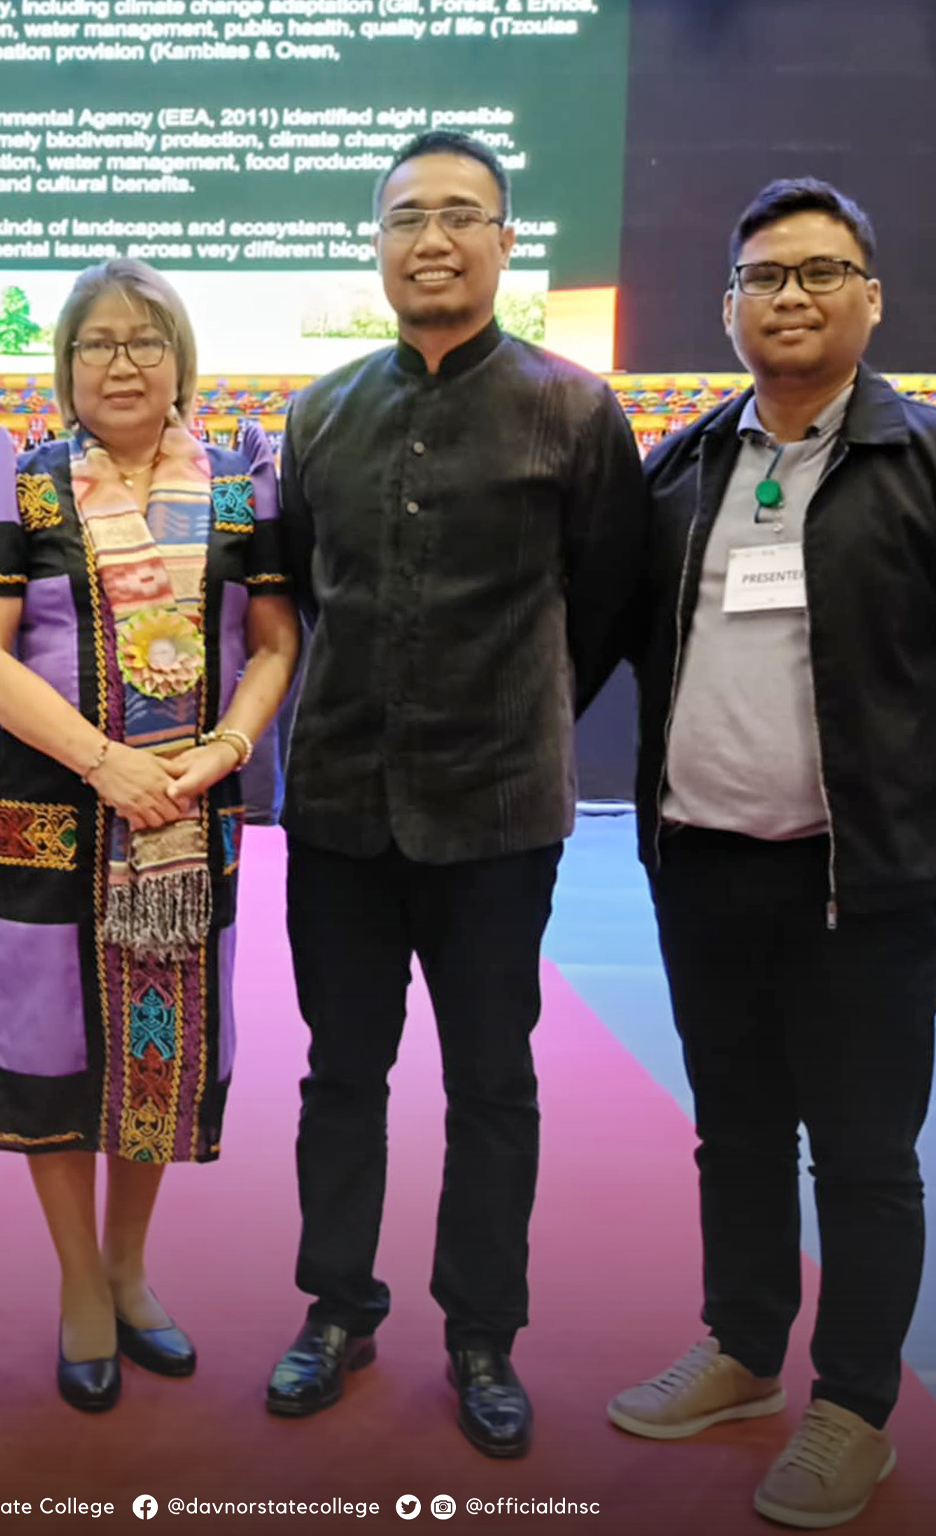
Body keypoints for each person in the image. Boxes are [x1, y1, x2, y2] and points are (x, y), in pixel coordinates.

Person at [609, 178, 936, 1529]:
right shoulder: (686, 467)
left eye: (821, 273)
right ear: (728, 308)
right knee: (735, 1134)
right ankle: (745, 1351)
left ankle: (853, 1409)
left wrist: (914, 778)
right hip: (704, 864)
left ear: (872, 297)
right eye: (764, 277)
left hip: (867, 878)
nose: (791, 297)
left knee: (865, 1155)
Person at [264, 131, 648, 1455]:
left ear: (503, 242)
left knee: (492, 1080)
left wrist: (516, 710)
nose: (432, 238)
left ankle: (483, 1334)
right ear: (376, 245)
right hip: (340, 809)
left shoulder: (574, 409)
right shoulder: (319, 414)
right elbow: (308, 595)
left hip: (496, 816)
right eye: (406, 217)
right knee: (340, 1074)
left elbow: (602, 604)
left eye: (462, 216)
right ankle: (336, 1306)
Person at [0, 259, 301, 1412]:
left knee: (163, 1046)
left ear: (180, 361)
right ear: (64, 366)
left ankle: (130, 1265)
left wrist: (224, 753)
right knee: (53, 1052)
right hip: (54, 820)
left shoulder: (241, 484)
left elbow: (275, 642)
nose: (120, 364)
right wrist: (103, 760)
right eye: (95, 344)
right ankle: (78, 1287)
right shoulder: (26, 476)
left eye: (144, 342)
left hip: (187, 826)